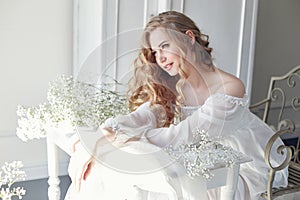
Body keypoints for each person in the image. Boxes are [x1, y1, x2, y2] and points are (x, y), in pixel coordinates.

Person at [66, 11, 288, 199]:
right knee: (122, 171)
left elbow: (181, 136)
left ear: (189, 38)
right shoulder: (174, 85)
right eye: (155, 52)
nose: (159, 58)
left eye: (164, 46)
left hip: (245, 164)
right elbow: (145, 115)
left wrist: (121, 142)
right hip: (199, 158)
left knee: (161, 182)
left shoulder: (229, 87)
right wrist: (107, 133)